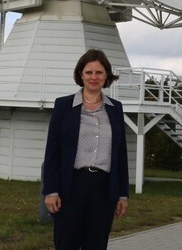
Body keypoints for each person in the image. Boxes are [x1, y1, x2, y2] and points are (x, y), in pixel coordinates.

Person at [42, 49, 130, 249]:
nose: (94, 77)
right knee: (66, 244)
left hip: (103, 189)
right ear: (80, 74)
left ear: (106, 75)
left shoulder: (115, 109)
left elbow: (121, 154)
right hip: (71, 187)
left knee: (97, 245)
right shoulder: (64, 106)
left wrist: (123, 194)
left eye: (99, 73)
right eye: (89, 72)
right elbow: (52, 151)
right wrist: (51, 190)